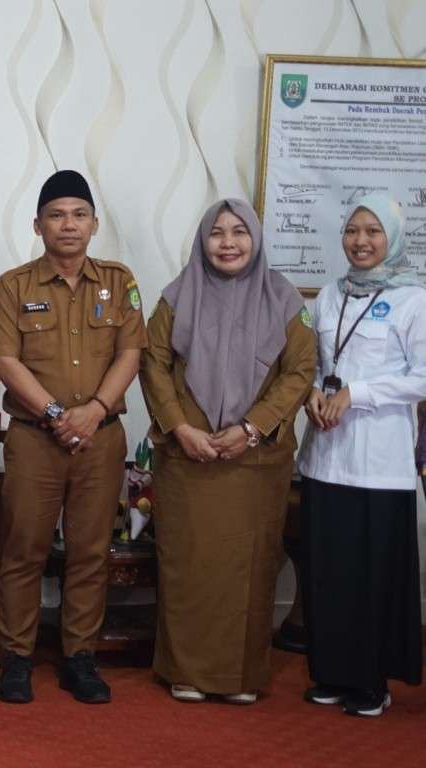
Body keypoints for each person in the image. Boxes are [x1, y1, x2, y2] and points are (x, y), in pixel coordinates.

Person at [139, 199, 315, 704]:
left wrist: (252, 428)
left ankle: (241, 676)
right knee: (188, 562)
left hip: (254, 463)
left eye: (240, 232)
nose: (229, 243)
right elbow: (153, 364)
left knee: (251, 565)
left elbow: (300, 372)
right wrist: (180, 429)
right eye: (217, 233)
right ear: (203, 241)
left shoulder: (285, 300)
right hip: (189, 455)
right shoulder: (176, 298)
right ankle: (185, 670)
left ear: (255, 239)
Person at [0, 170, 146, 705]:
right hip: (34, 439)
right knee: (24, 550)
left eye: (78, 214)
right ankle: (17, 658)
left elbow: (131, 353)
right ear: (38, 224)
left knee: (89, 553)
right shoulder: (14, 285)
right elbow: (6, 361)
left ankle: (80, 657)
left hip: (101, 439)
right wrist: (56, 413)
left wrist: (94, 410)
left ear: (94, 224)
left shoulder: (120, 282)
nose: (68, 224)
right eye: (56, 215)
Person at [297, 192, 424, 718]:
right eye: (353, 230)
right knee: (328, 571)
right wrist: (310, 394)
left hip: (379, 463)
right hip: (326, 456)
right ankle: (332, 673)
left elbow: (420, 377)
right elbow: (311, 360)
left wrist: (358, 394)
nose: (361, 241)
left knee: (372, 576)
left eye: (373, 231)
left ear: (391, 237)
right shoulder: (329, 295)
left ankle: (371, 682)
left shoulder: (415, 299)